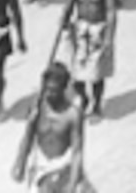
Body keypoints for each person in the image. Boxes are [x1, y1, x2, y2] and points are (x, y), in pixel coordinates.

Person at [65, 0, 118, 120]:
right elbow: (69, 4)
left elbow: (110, 12)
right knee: (77, 72)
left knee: (96, 73)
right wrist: (64, 18)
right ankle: (83, 99)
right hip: (80, 29)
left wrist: (109, 37)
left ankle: (96, 104)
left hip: (98, 29)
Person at [15, 63, 86, 193]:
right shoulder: (37, 108)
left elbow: (77, 152)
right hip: (40, 164)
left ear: (64, 88)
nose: (49, 94)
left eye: (54, 90)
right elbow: (27, 138)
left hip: (64, 164)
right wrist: (20, 162)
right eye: (47, 89)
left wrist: (72, 184)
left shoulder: (73, 115)